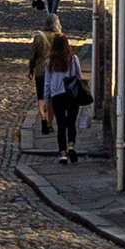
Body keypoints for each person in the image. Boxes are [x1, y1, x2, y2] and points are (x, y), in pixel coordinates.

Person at [33, 29, 84, 161]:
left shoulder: (50, 62)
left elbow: (47, 83)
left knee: (61, 125)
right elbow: (79, 77)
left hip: (57, 96)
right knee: (71, 123)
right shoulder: (73, 59)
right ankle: (71, 146)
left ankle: (63, 155)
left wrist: (45, 100)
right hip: (72, 95)